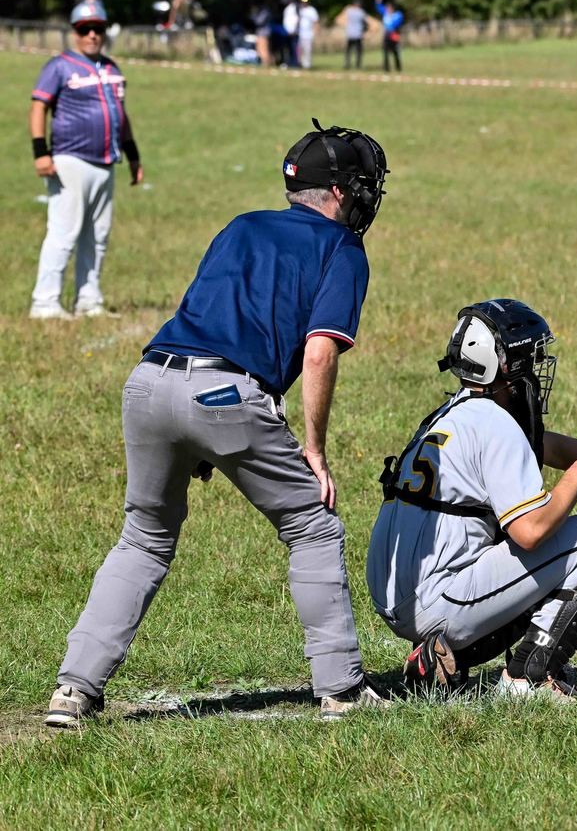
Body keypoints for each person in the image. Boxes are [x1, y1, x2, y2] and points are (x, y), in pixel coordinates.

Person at [45, 122, 392, 727]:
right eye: (361, 185)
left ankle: (73, 690)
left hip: (150, 381)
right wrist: (314, 447)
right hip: (225, 393)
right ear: (339, 193)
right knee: (312, 525)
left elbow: (207, 314)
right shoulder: (342, 248)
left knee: (144, 538)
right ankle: (341, 688)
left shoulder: (242, 224)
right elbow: (318, 351)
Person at [367, 300, 577, 700]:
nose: (535, 367)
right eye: (528, 357)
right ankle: (527, 677)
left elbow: (545, 445)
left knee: (499, 533)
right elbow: (530, 533)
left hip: (396, 596)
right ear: (502, 366)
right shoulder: (496, 424)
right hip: (438, 600)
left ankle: (438, 658)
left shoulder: (452, 412)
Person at [29, 0, 143, 320]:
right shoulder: (59, 66)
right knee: (64, 233)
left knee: (98, 236)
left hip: (106, 161)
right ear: (74, 32)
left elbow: (121, 113)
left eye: (98, 29)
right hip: (70, 159)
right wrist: (41, 152)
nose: (92, 35)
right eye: (85, 29)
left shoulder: (111, 67)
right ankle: (45, 302)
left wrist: (133, 154)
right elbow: (38, 107)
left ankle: (88, 299)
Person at [376, 0, 404, 73]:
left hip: (394, 33)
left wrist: (390, 23)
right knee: (385, 51)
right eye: (387, 8)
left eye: (389, 8)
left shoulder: (398, 15)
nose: (388, 9)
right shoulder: (385, 13)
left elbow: (396, 24)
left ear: (392, 8)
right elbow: (378, 5)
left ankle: (398, 67)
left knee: (395, 51)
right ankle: (386, 68)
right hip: (386, 34)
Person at [339, 0, 370, 70]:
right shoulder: (361, 12)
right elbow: (367, 21)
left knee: (348, 51)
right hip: (358, 34)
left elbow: (341, 17)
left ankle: (347, 64)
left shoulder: (349, 11)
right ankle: (358, 65)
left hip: (350, 33)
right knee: (358, 51)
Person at [296, 0, 320, 70]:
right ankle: (300, 64)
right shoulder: (299, 10)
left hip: (308, 34)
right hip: (300, 34)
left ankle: (307, 65)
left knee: (307, 50)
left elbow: (316, 22)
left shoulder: (312, 10)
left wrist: (315, 32)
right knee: (300, 51)